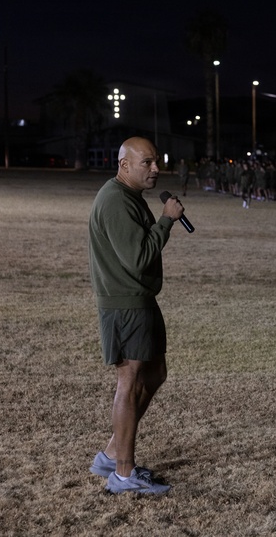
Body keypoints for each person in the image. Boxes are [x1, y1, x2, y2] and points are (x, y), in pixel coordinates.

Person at [88, 137, 185, 495]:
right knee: (128, 383)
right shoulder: (115, 200)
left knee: (155, 373)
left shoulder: (129, 196)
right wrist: (166, 220)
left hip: (139, 299)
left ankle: (111, 455)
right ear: (124, 165)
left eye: (157, 161)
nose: (156, 168)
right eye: (147, 162)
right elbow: (139, 257)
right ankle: (123, 475)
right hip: (125, 304)